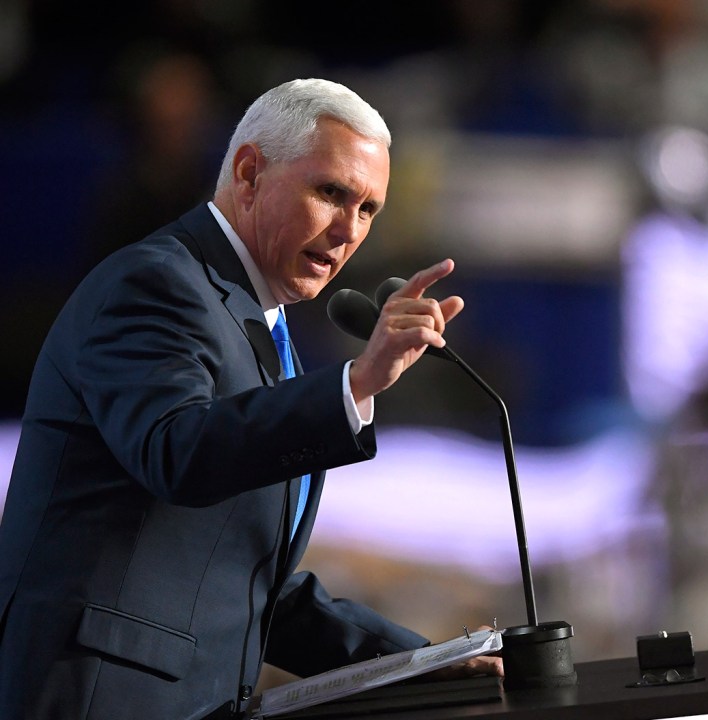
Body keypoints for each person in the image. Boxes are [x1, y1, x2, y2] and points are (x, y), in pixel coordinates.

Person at [0, 77, 501, 719]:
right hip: (102, 696)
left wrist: (424, 661)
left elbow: (254, 586)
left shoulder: (257, 324)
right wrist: (354, 385)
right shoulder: (156, 284)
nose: (348, 229)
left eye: (369, 209)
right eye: (330, 192)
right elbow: (177, 450)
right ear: (249, 173)